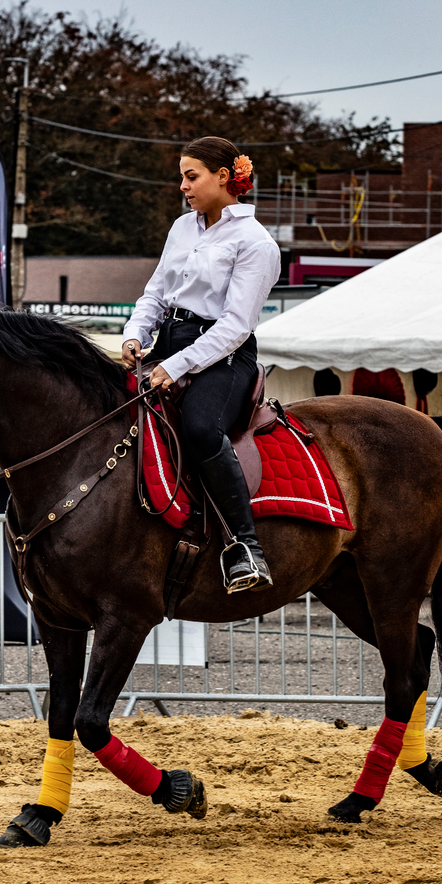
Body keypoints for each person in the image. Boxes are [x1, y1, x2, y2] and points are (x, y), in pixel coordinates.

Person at [122, 137, 281, 593]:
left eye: (191, 177)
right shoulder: (181, 228)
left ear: (224, 177)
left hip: (224, 357)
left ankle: (246, 546)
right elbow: (155, 292)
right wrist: (135, 334)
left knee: (199, 428)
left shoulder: (256, 242)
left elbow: (236, 325)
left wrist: (177, 366)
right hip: (167, 343)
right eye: (182, 177)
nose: (183, 186)